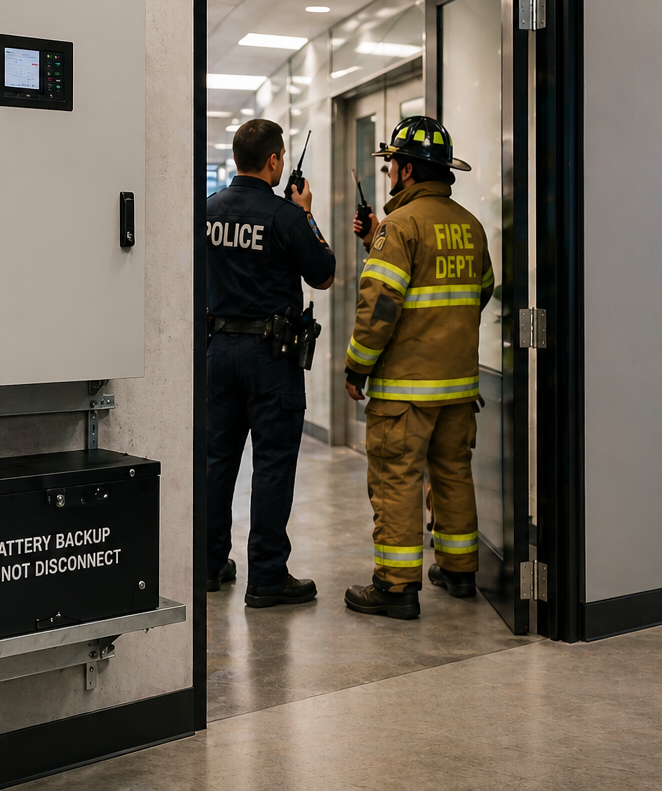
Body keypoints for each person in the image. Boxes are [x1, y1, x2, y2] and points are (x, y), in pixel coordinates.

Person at [341, 116, 493, 620]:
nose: (388, 177)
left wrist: (356, 367)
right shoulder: (470, 226)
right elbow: (480, 291)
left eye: (391, 168)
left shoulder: (402, 227)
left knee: (397, 479)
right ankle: (459, 570)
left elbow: (381, 308)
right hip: (458, 387)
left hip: (406, 390)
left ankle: (395, 587)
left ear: (406, 171)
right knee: (452, 473)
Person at [205, 118, 335, 607]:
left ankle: (211, 562)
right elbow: (324, 275)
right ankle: (266, 574)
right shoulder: (286, 217)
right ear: (276, 160)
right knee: (273, 465)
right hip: (271, 357)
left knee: (217, 461)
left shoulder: (208, 210)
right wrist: (307, 215)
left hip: (217, 354)